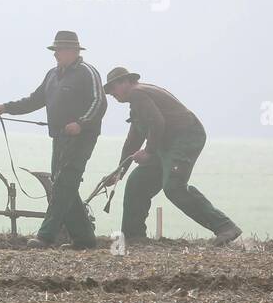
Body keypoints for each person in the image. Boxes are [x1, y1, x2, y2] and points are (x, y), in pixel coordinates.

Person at [0, 30, 106, 249]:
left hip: (82, 138)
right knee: (65, 186)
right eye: (55, 50)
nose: (56, 55)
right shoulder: (52, 75)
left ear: (73, 51)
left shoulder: (87, 72)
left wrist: (81, 123)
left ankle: (46, 235)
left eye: (59, 50)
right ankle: (84, 239)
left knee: (64, 184)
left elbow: (99, 102)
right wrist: (5, 108)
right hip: (59, 138)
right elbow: (34, 100)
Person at [101, 67, 241, 246]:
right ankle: (133, 236)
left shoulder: (138, 94)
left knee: (174, 186)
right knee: (137, 182)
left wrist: (149, 151)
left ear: (126, 82)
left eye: (113, 88)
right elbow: (132, 142)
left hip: (185, 137)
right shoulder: (137, 104)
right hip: (165, 145)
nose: (112, 93)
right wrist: (118, 173)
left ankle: (225, 226)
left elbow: (158, 123)